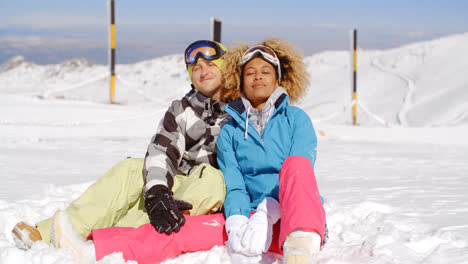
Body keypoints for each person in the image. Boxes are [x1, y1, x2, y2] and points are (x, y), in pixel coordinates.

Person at [48, 38, 326, 264]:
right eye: (250, 73)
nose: (257, 78)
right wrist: (239, 221)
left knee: (294, 167)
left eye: (265, 72)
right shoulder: (230, 129)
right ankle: (91, 249)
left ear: (279, 80)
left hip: (295, 221)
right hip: (249, 224)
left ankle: (300, 253)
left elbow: (300, 174)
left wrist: (268, 211)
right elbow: (234, 181)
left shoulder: (296, 119)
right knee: (174, 226)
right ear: (240, 81)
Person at [12, 40, 230, 249]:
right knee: (132, 169)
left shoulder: (239, 108)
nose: (204, 71)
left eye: (211, 64)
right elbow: (162, 149)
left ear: (225, 67)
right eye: (196, 67)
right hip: (180, 176)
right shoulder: (181, 109)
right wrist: (158, 191)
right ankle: (50, 233)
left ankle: (108, 241)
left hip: (211, 187)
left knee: (210, 179)